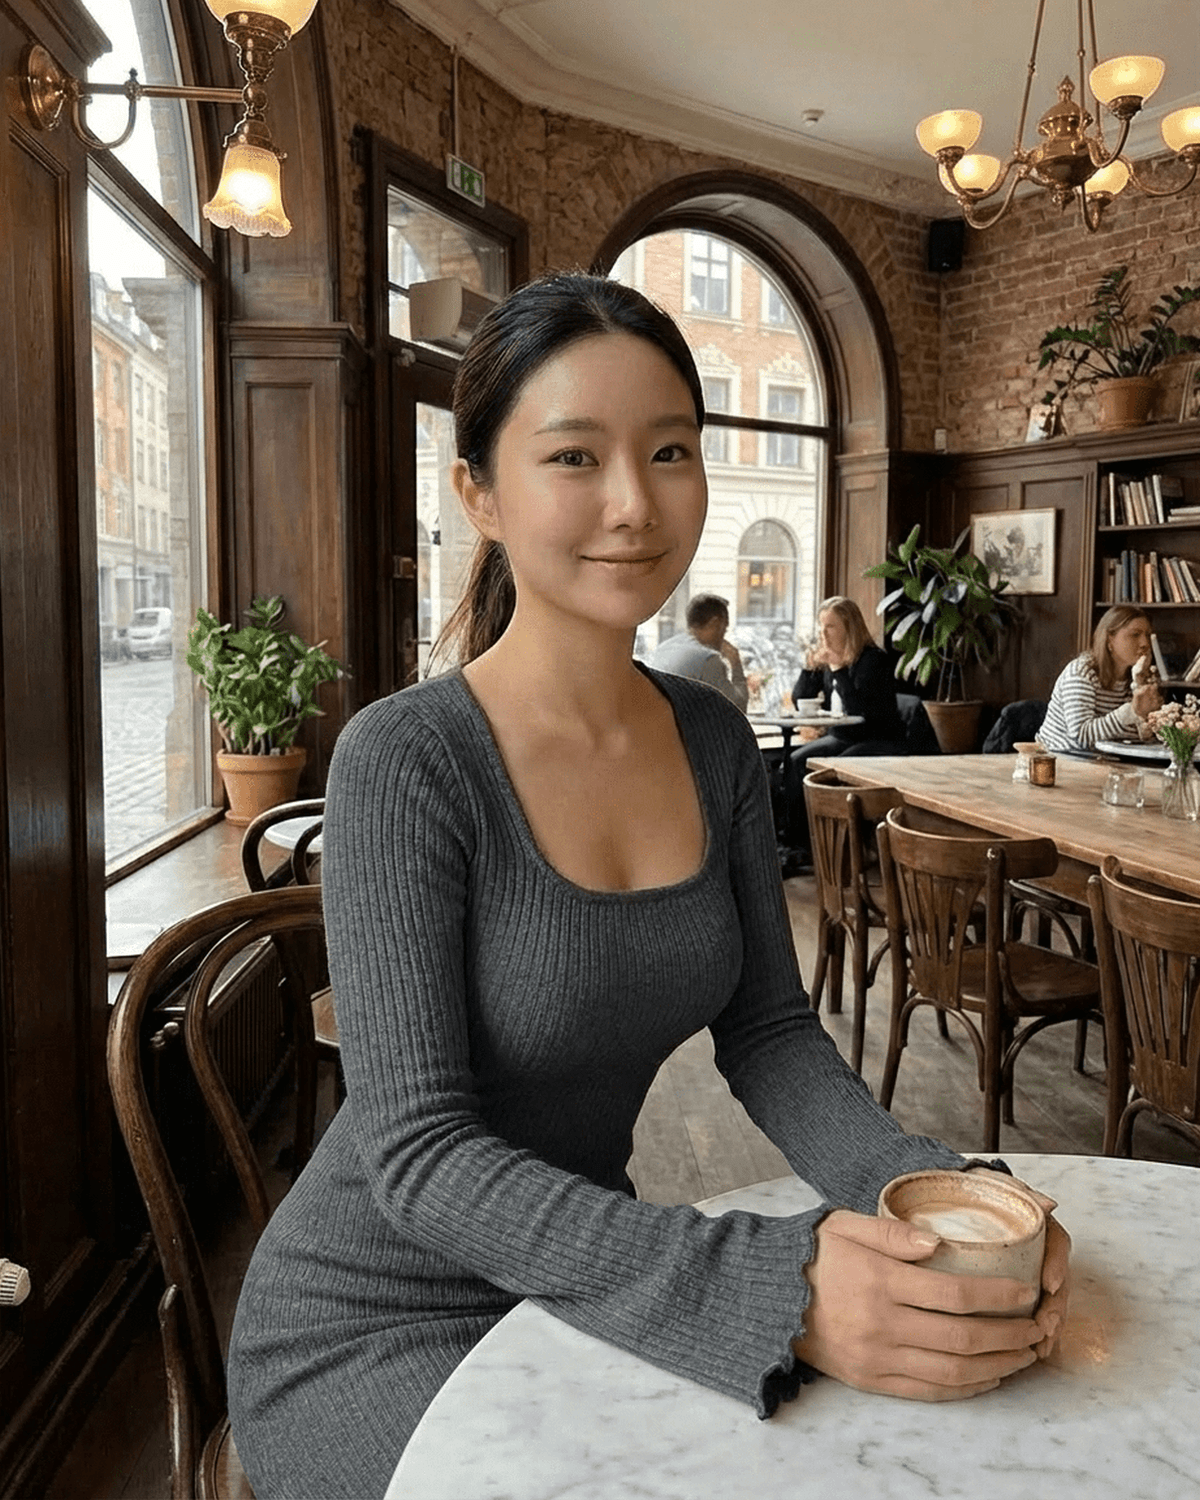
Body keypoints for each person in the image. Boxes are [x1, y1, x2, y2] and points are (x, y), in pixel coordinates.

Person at [227, 273, 1068, 1500]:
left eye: (670, 450)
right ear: (480, 494)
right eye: (574, 455)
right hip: (375, 1316)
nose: (633, 503)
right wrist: (767, 1282)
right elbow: (416, 1155)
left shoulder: (712, 740)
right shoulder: (407, 759)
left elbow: (774, 1035)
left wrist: (940, 1197)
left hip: (585, 1274)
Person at [782, 596, 907, 860]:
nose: (823, 634)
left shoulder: (872, 661)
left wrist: (838, 669)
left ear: (849, 628)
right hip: (842, 736)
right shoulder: (830, 661)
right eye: (821, 627)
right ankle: (803, 844)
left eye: (830, 627)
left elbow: (861, 711)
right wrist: (810, 667)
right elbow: (799, 699)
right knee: (796, 760)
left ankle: (842, 849)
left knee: (837, 766)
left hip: (878, 737)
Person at [1037, 605, 1162, 754]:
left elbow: (1136, 738)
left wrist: (1139, 685)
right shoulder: (1082, 672)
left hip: (1105, 761)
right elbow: (1080, 736)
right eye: (1135, 635)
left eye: (1148, 635)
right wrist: (1132, 711)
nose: (1145, 643)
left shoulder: (1136, 676)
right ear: (1110, 639)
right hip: (1060, 759)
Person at [649, 592, 748, 709]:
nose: (723, 638)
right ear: (715, 623)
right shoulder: (708, 660)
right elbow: (737, 708)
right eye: (724, 629)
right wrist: (735, 662)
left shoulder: (663, 649)